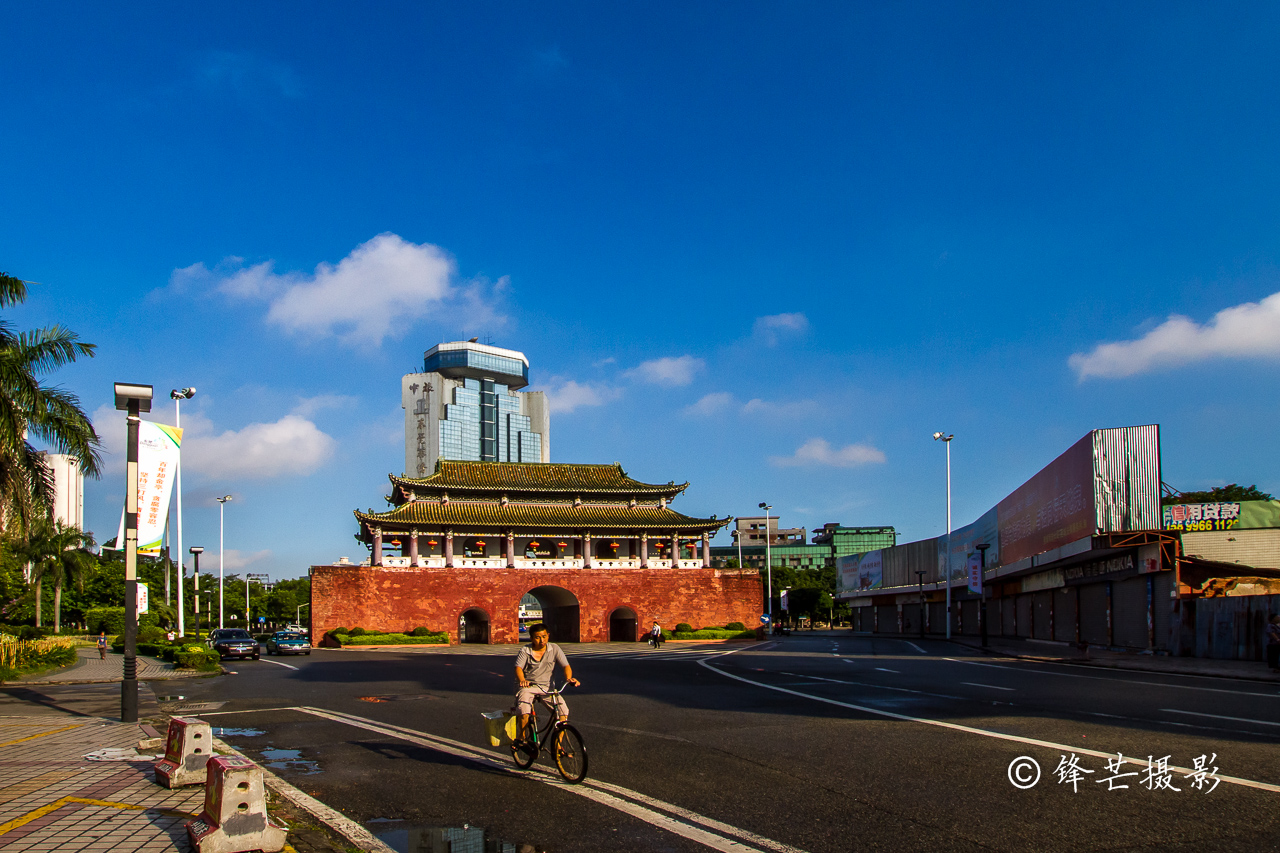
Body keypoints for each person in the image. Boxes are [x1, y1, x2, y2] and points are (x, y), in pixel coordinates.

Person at [514, 624, 578, 745]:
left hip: (547, 688)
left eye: (544, 636)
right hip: (528, 687)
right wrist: (522, 680)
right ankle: (522, 738)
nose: (542, 640)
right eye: (538, 637)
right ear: (531, 638)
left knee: (563, 712)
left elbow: (566, 666)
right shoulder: (525, 650)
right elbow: (518, 668)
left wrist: (569, 678)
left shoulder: (554, 648)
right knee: (524, 709)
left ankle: (558, 745)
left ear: (548, 636)